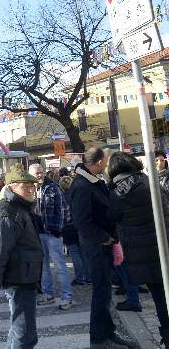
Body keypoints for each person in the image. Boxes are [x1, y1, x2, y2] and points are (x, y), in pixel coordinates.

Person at [71, 147, 136, 349]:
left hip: (103, 244)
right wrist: (105, 239)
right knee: (101, 292)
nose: (106, 165)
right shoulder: (82, 185)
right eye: (105, 162)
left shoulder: (93, 181)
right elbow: (82, 222)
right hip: (96, 246)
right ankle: (98, 339)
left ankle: (107, 331)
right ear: (99, 162)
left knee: (105, 291)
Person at [109, 152, 169, 346]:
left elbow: (113, 218)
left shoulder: (116, 192)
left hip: (139, 253)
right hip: (162, 246)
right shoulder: (148, 183)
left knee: (159, 297)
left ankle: (167, 337)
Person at [0, 165, 42, 349]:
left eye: (32, 186)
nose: (32, 189)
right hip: (19, 278)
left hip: (25, 275)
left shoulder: (19, 207)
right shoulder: (8, 212)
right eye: (26, 186)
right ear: (11, 187)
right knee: (25, 335)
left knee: (20, 331)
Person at [35, 166, 73, 309]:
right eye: (36, 173)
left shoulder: (52, 188)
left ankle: (66, 297)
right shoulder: (31, 190)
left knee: (60, 266)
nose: (38, 175)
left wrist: (58, 230)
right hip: (39, 233)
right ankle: (48, 294)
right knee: (44, 266)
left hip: (52, 233)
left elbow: (64, 210)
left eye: (40, 172)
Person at [58, 176, 90, 286]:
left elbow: (63, 216)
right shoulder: (76, 195)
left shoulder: (63, 197)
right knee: (83, 253)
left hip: (68, 228)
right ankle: (88, 276)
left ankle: (80, 277)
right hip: (79, 226)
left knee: (75, 254)